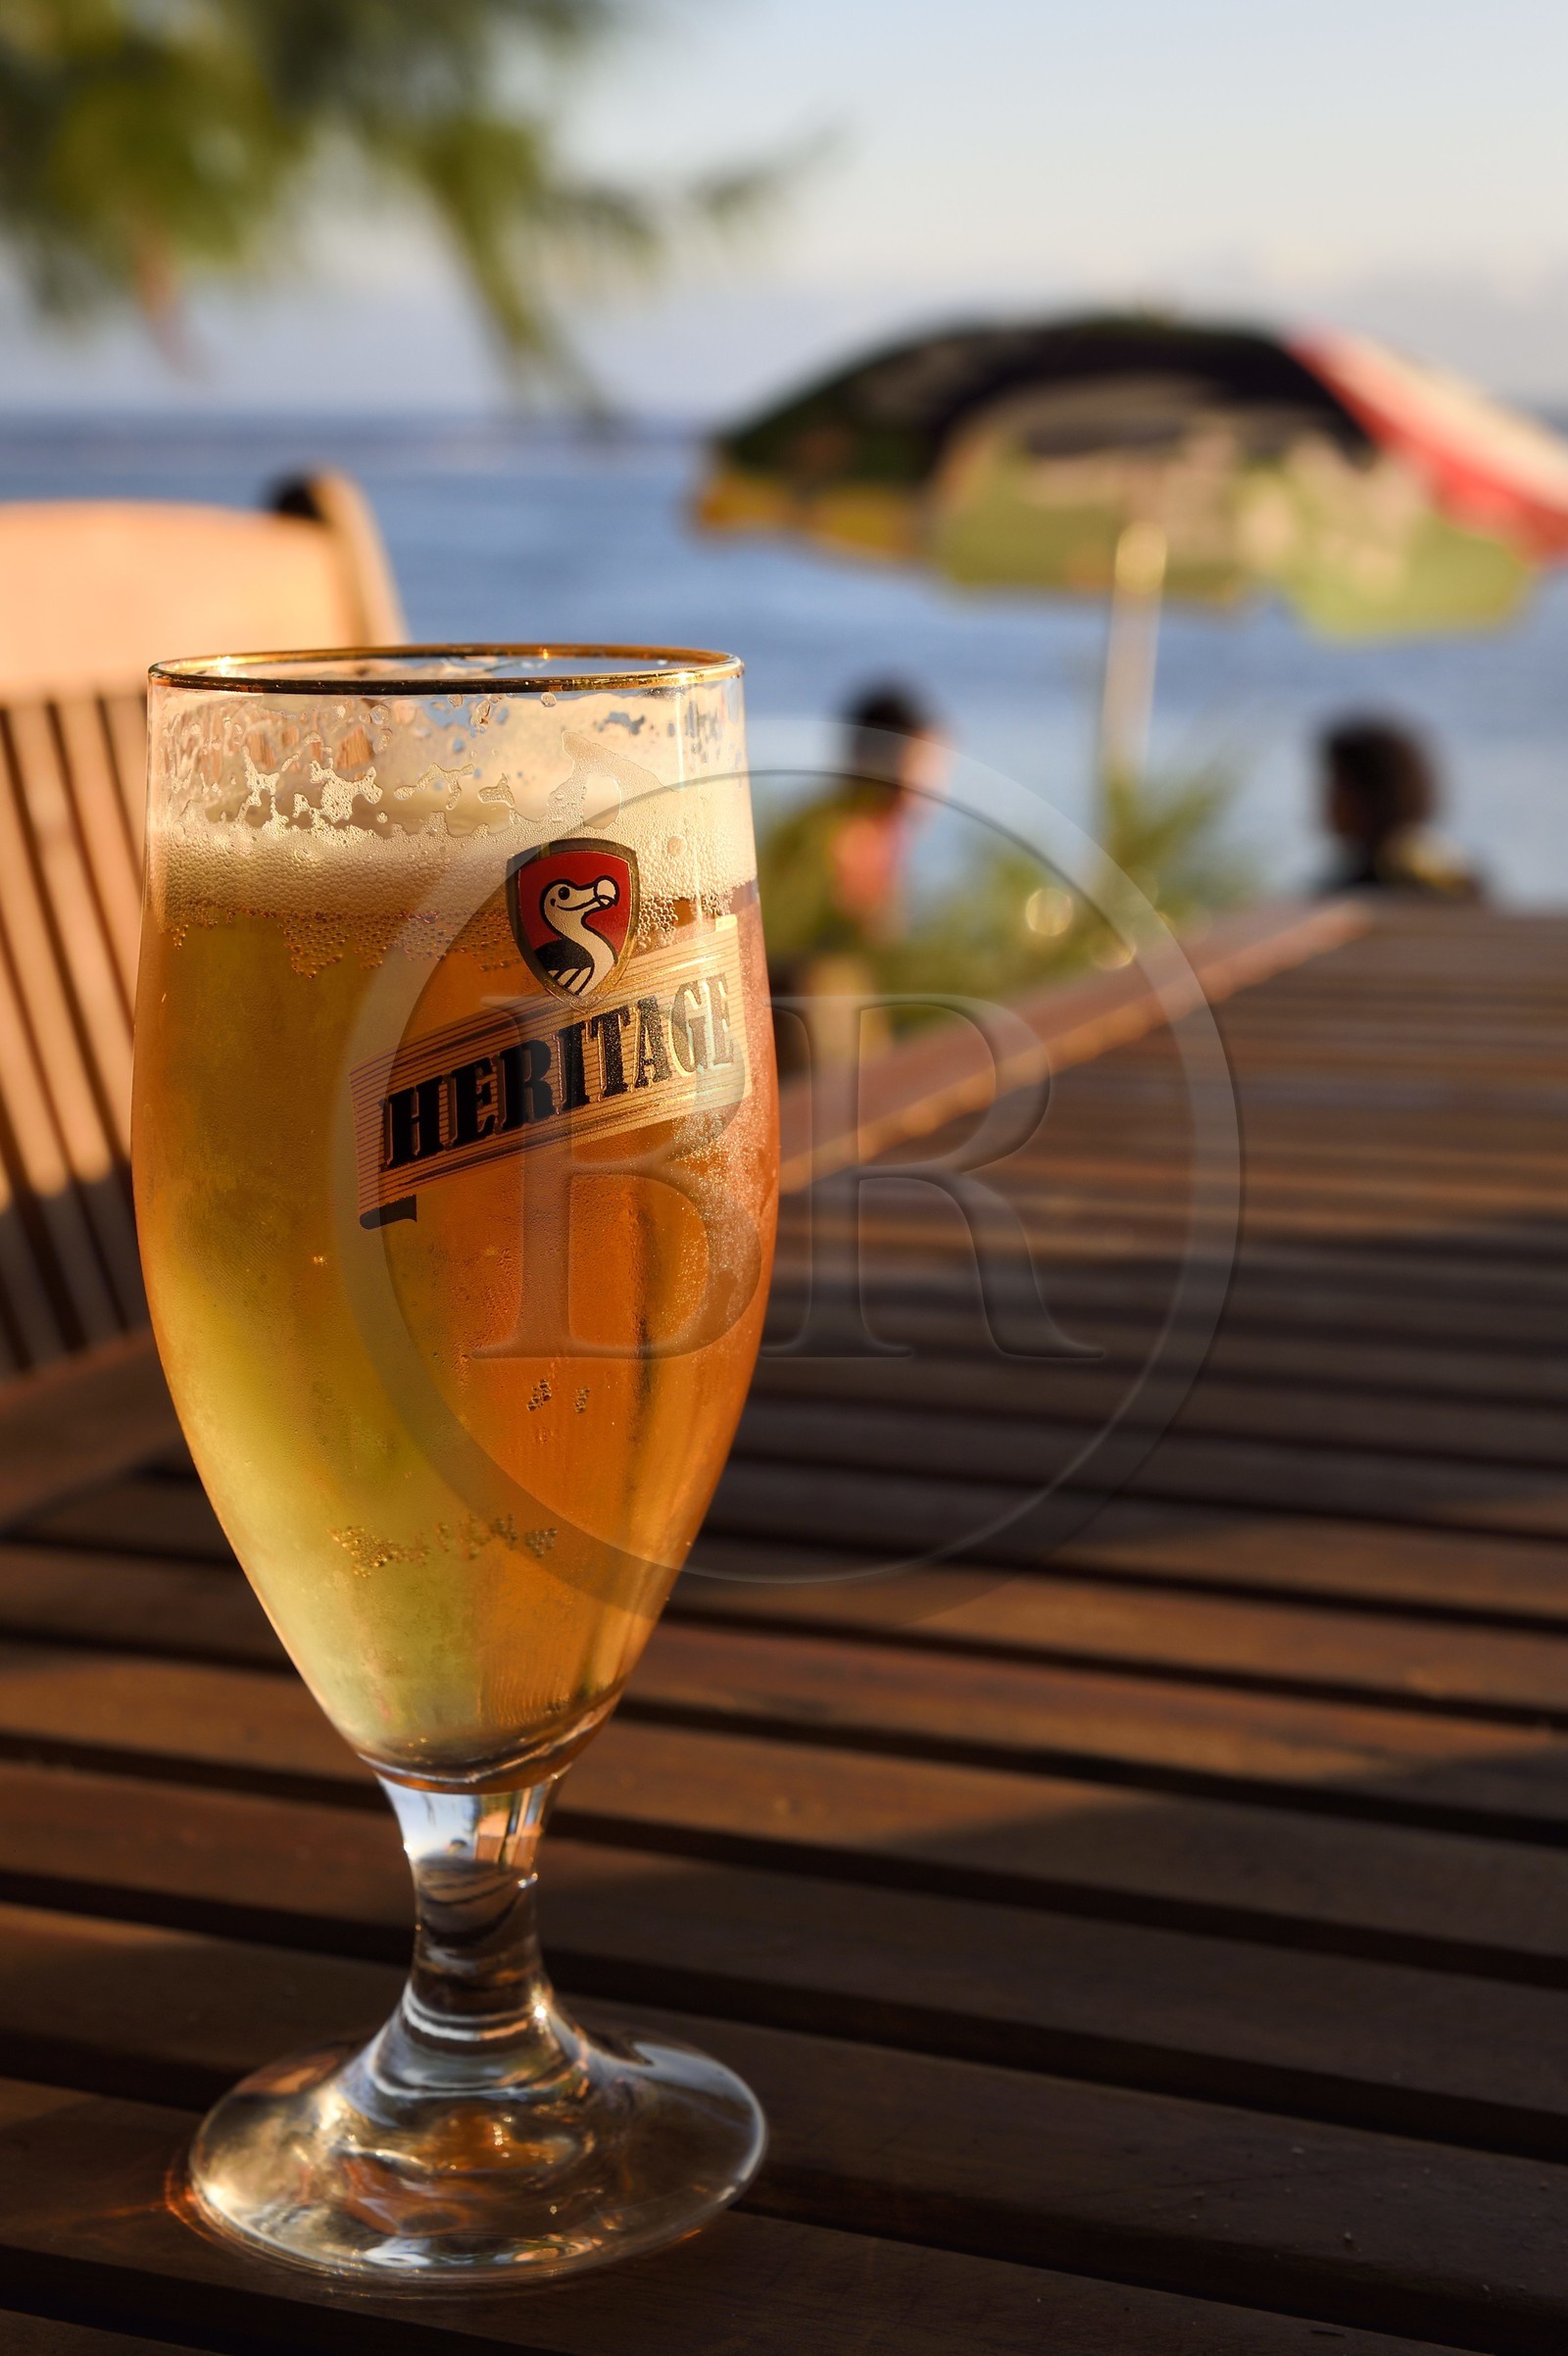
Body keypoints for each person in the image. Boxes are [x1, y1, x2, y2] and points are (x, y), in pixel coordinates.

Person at [759, 685, 948, 1070]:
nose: (929, 785)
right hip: (801, 1008)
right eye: (918, 763)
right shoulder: (833, 834)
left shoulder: (871, 825)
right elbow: (777, 938)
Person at [1319, 719, 1482, 899]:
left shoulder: (1368, 889)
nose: (1325, 797)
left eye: (1337, 785)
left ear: (1369, 797)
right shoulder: (1448, 870)